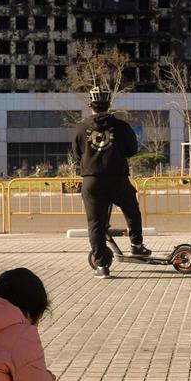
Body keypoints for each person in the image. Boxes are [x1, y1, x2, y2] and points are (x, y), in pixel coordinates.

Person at [71, 87, 149, 279]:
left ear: (90, 105)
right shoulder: (122, 127)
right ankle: (136, 246)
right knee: (132, 210)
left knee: (96, 223)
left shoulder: (81, 128)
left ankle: (101, 266)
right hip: (118, 179)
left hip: (92, 181)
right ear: (109, 105)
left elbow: (76, 154)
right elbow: (132, 150)